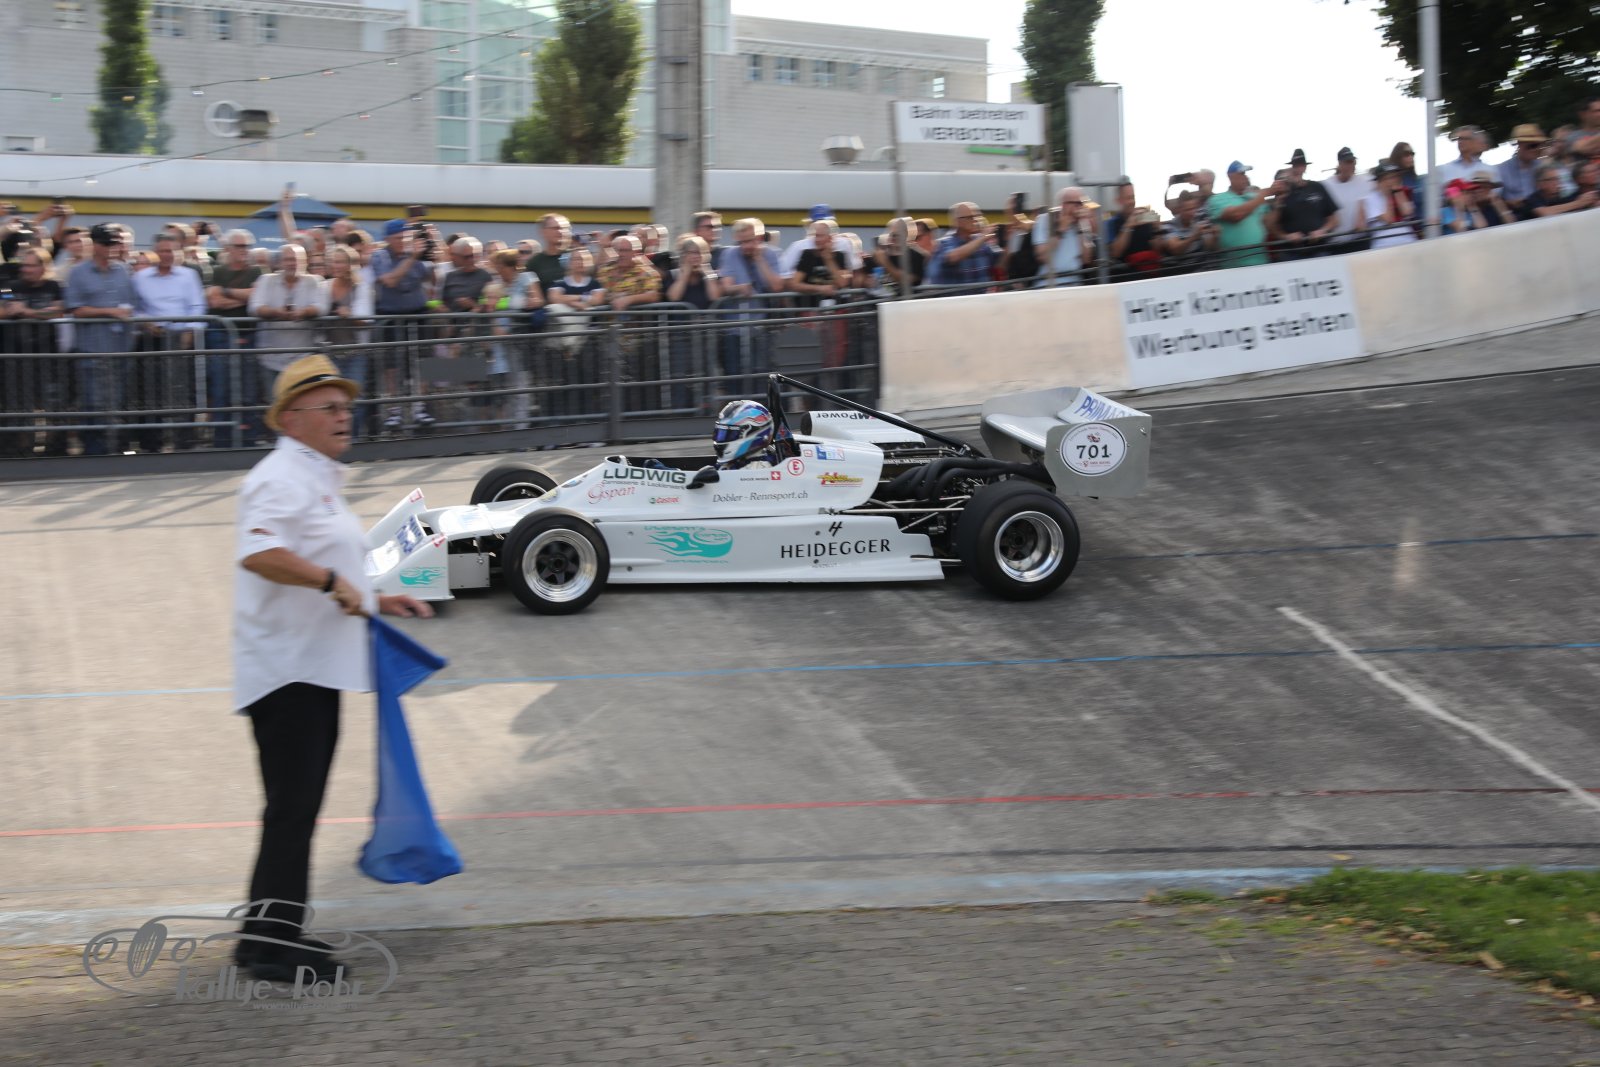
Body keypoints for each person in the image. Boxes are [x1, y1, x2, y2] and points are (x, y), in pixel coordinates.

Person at [232, 353, 432, 984]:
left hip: (313, 670)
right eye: (330, 408)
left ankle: (267, 937)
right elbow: (259, 552)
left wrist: (377, 599)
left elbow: (334, 566)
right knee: (292, 810)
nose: (345, 416)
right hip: (288, 675)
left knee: (295, 809)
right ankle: (271, 950)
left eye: (347, 407)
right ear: (292, 418)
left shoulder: (315, 477)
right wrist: (328, 582)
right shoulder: (279, 477)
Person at [63, 223, 139, 456]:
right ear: (95, 245)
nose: (112, 248)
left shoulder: (123, 270)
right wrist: (110, 312)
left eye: (115, 243)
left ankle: (114, 450)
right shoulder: (78, 272)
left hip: (120, 348)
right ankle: (94, 452)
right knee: (93, 402)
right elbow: (75, 309)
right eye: (107, 244)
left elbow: (131, 304)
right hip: (92, 349)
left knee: (116, 402)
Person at [1210, 161, 1281, 268]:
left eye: (1245, 174)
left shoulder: (1253, 197)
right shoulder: (1217, 199)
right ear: (1230, 176)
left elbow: (1267, 225)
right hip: (1233, 267)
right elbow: (1236, 215)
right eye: (1242, 174)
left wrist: (1278, 203)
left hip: (1261, 262)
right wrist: (1263, 195)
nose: (1246, 177)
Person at [1270, 149, 1338, 258]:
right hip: (1291, 252)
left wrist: (1322, 231)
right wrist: (1286, 236)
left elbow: (1334, 220)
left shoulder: (1317, 187)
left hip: (1319, 249)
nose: (1298, 168)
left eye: (1301, 164)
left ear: (1305, 167)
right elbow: (1272, 226)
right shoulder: (1282, 193)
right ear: (1291, 168)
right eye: (1295, 165)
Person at [926, 201, 1000, 288]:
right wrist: (983, 237)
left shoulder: (982, 242)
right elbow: (953, 257)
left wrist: (1010, 242)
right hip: (957, 296)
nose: (976, 220)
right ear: (957, 221)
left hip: (981, 296)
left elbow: (999, 264)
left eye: (978, 216)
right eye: (971, 217)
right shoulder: (944, 243)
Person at [1323, 147, 1372, 254]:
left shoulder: (1366, 181)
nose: (1351, 165)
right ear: (1340, 164)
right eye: (1347, 162)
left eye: (1353, 162)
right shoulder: (1326, 185)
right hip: (1336, 243)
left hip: (1360, 241)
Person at [1363, 163, 1419, 249]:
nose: (1395, 180)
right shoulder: (1371, 198)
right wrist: (1388, 195)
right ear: (1380, 181)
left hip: (1408, 239)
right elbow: (1388, 220)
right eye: (1390, 177)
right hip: (1385, 244)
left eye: (1396, 176)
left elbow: (1407, 212)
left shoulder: (1400, 191)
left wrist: (1398, 192)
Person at [710, 398, 777, 469]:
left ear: (750, 433)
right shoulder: (737, 463)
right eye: (721, 433)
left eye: (731, 434)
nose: (720, 439)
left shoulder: (758, 468)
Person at [1499, 125, 1549, 215]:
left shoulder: (1543, 167)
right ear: (1518, 145)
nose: (1536, 149)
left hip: (1540, 212)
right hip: (1515, 215)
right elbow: (1495, 199)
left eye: (1538, 145)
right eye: (1532, 146)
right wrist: (1509, 203)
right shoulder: (1502, 169)